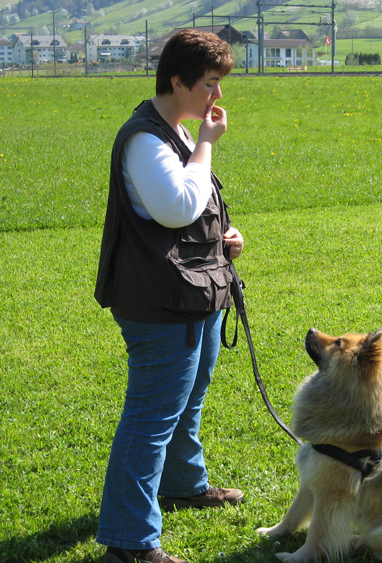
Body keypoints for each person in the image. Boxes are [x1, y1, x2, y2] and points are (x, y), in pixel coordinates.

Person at [94, 29, 245, 563]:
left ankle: (182, 484)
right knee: (151, 417)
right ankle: (129, 542)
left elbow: (192, 208)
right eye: (210, 84)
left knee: (187, 400)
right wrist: (206, 143)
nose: (217, 98)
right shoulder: (146, 139)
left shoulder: (175, 131)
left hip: (192, 293)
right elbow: (177, 206)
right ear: (178, 81)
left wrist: (225, 236)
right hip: (160, 304)